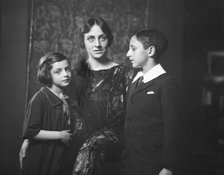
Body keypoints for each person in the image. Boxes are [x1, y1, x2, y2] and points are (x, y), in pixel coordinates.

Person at [69, 17, 133, 175]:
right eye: (91, 38)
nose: (97, 44)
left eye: (102, 38)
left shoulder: (124, 74)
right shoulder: (74, 74)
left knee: (91, 150)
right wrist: (29, 139)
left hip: (110, 142)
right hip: (77, 139)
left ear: (109, 39)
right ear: (83, 41)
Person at [124, 29, 181, 175]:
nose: (128, 54)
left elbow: (172, 127)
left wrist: (168, 166)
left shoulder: (166, 83)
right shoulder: (135, 79)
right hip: (131, 161)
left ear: (150, 51)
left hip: (153, 165)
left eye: (133, 48)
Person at [20, 52, 76, 175]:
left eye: (67, 69)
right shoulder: (40, 99)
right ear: (48, 74)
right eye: (58, 71)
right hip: (42, 157)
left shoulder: (68, 99)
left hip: (61, 157)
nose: (65, 74)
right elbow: (30, 131)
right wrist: (59, 135)